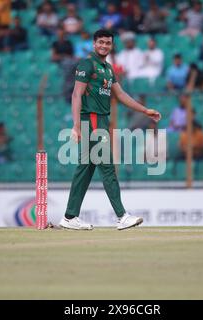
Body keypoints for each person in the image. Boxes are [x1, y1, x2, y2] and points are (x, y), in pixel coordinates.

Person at [61, 29, 161, 231]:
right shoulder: (87, 64)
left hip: (101, 120)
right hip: (92, 120)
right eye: (101, 42)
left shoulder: (107, 68)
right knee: (107, 167)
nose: (104, 46)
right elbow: (76, 95)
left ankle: (70, 217)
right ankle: (122, 216)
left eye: (108, 43)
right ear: (93, 44)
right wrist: (76, 126)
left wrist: (145, 110)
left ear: (112, 45)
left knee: (85, 170)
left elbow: (121, 94)